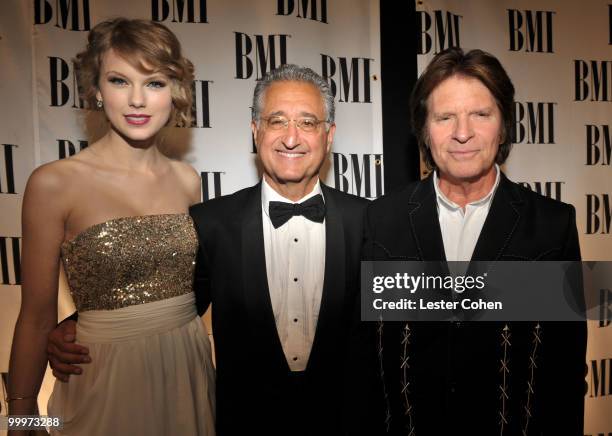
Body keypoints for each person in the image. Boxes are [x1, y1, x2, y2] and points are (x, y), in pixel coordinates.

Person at [47, 64, 383, 435]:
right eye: (276, 121)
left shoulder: (371, 221)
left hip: (348, 423)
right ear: (255, 131)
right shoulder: (210, 222)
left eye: (307, 122)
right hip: (245, 423)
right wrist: (79, 324)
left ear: (329, 135)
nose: (292, 138)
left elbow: (409, 315)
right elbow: (169, 299)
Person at [364, 47, 587, 435]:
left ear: (503, 126)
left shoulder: (553, 225)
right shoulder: (382, 221)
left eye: (480, 115)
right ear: (424, 130)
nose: (462, 133)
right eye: (444, 116)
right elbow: (364, 364)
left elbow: (565, 374)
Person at [8, 18, 215, 435]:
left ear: (175, 93)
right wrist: (21, 414)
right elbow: (35, 316)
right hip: (103, 377)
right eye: (120, 81)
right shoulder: (54, 183)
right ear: (97, 91)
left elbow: (200, 289)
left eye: (155, 83)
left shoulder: (187, 181)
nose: (138, 99)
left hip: (187, 370)